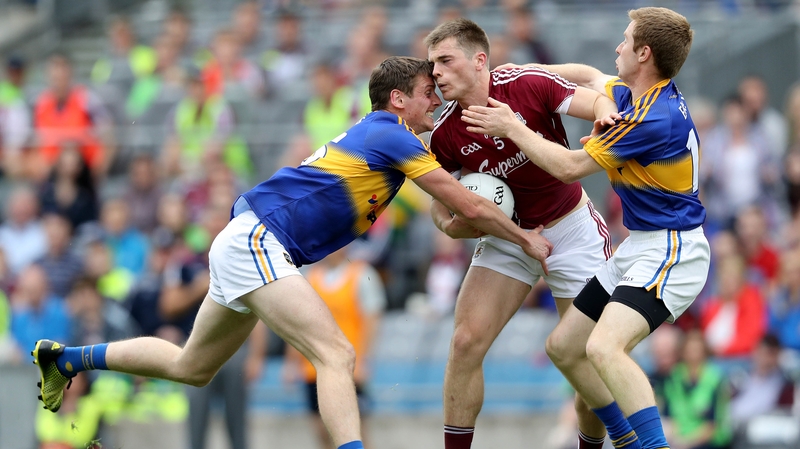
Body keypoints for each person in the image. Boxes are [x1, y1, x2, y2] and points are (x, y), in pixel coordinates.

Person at [31, 56, 551, 449]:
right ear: (397, 99)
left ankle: (67, 359)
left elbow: (450, 212)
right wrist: (525, 238)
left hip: (247, 241)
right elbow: (462, 201)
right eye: (426, 93)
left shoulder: (389, 138)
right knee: (337, 354)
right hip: (259, 242)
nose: (435, 101)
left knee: (192, 366)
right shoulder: (392, 135)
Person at [462, 7, 708, 449]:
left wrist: (512, 127)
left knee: (603, 348)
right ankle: (627, 439)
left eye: (626, 39)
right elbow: (590, 76)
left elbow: (570, 166)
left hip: (674, 250)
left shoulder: (650, 119)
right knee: (564, 347)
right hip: (642, 248)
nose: (618, 46)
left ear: (644, 53)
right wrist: (523, 72)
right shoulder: (638, 93)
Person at [424, 18, 617, 449]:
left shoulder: (526, 82)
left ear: (479, 61)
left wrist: (604, 123)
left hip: (573, 230)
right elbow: (438, 206)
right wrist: (450, 225)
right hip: (508, 238)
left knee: (588, 362)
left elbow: (599, 103)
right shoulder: (446, 132)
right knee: (465, 341)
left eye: (445, 61)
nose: (435, 73)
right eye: (432, 64)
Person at [283, 245, 385, 449]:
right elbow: (297, 322)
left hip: (349, 366)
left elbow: (372, 319)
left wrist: (364, 360)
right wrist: (290, 362)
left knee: (356, 430)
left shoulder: (362, 274)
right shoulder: (310, 276)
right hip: (314, 366)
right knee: (320, 430)